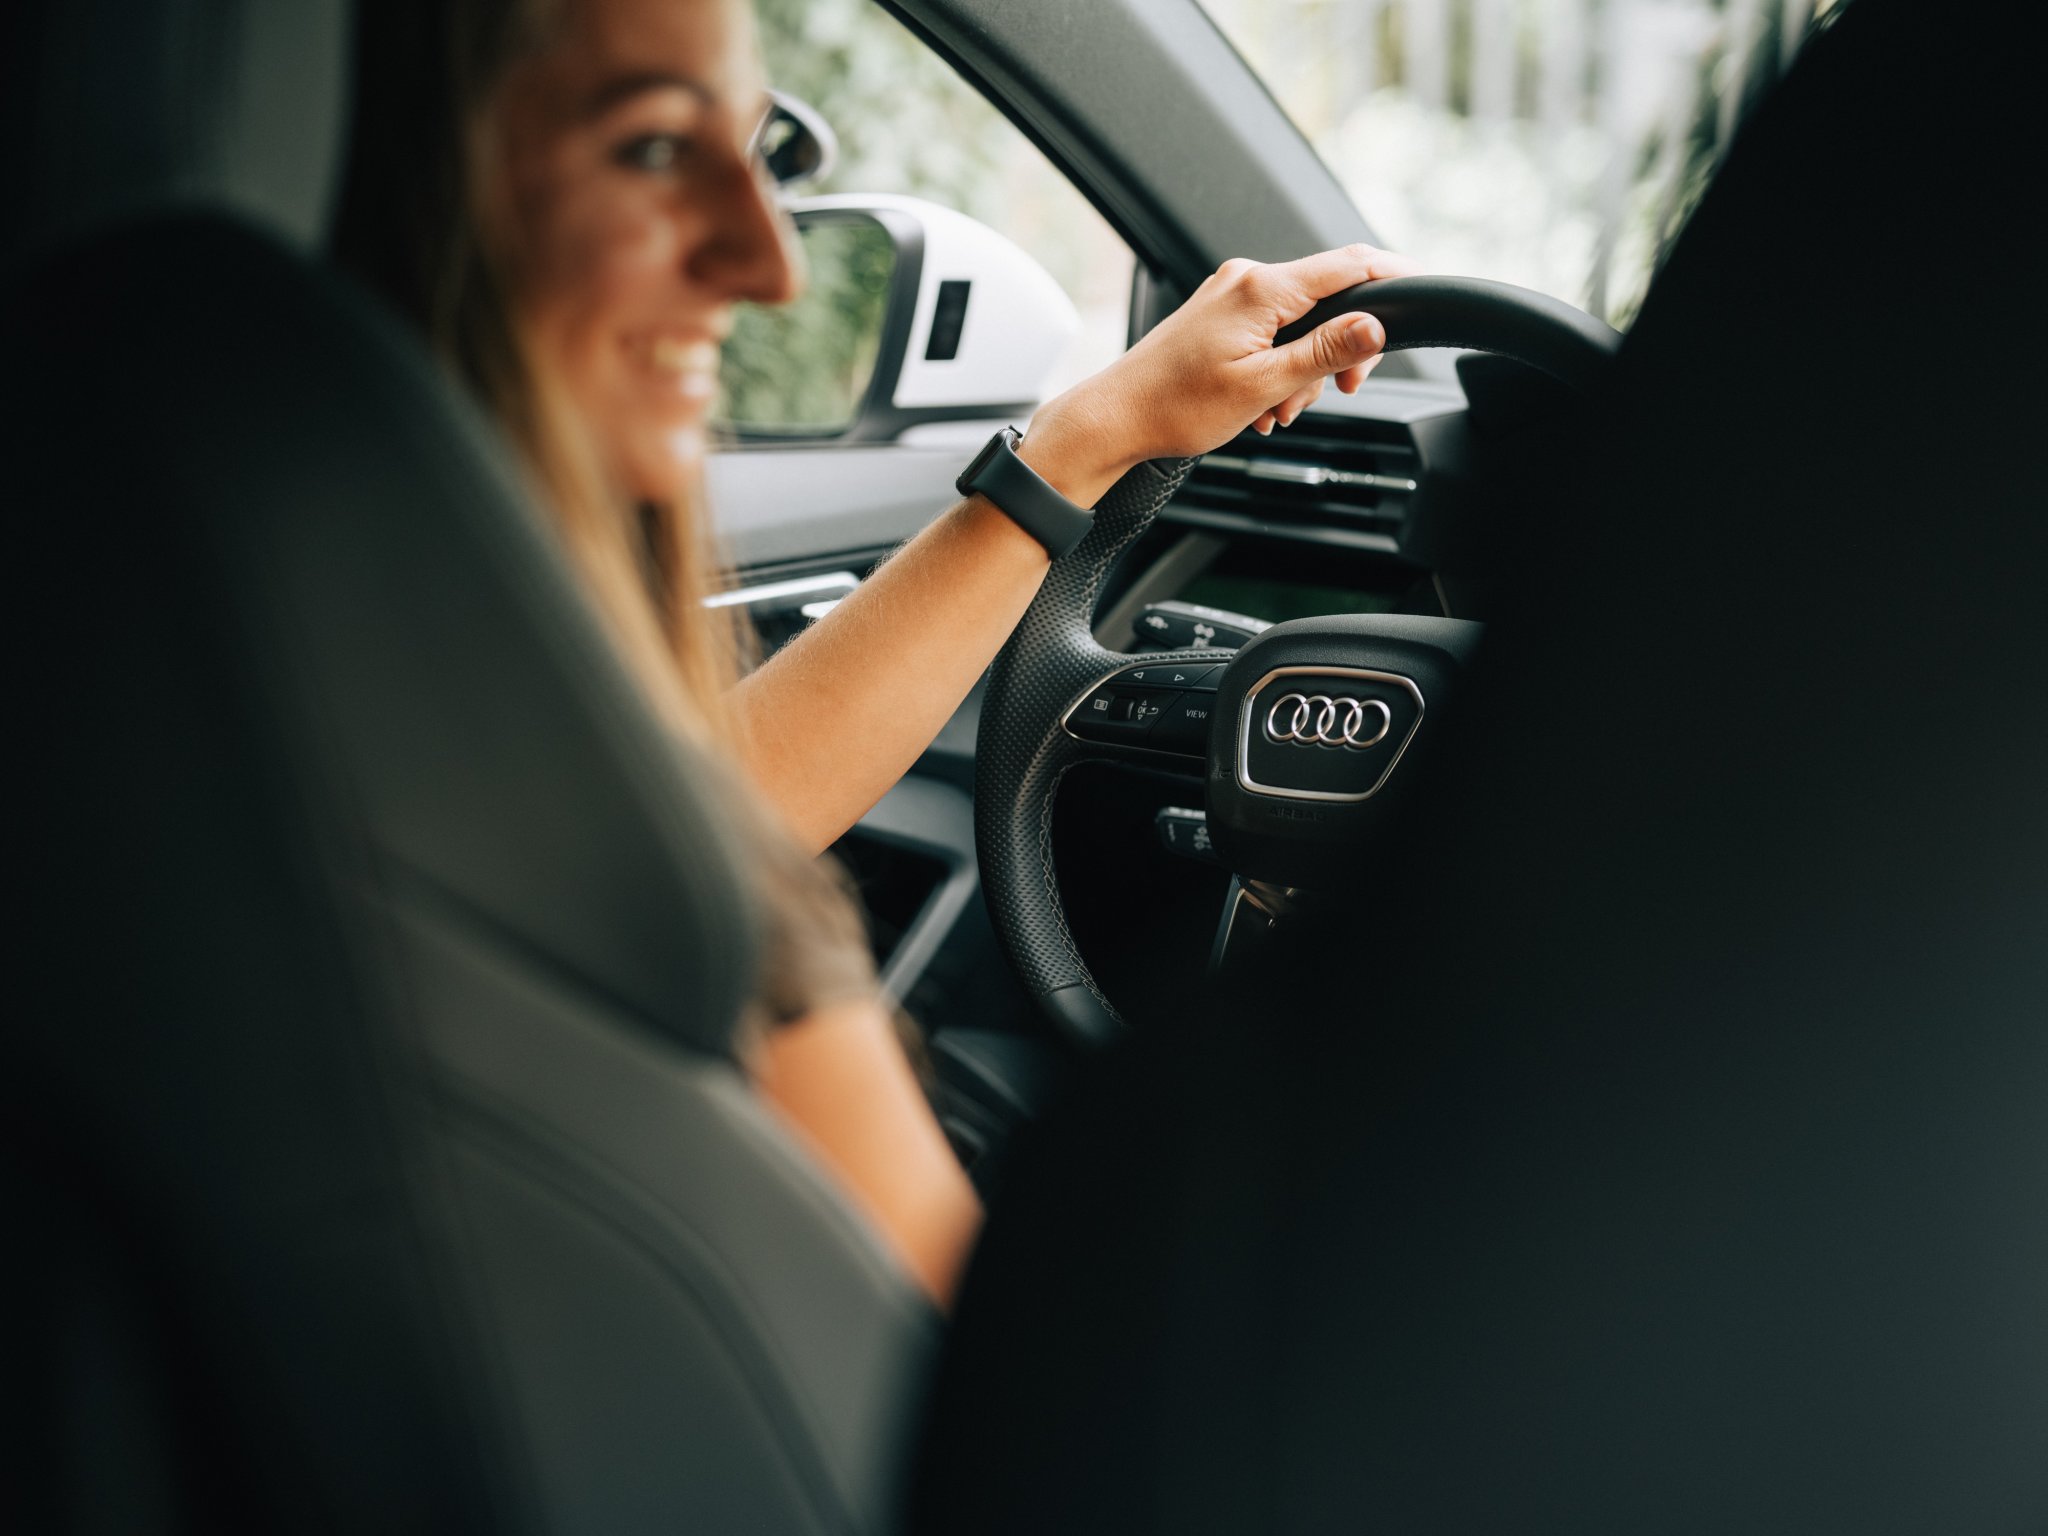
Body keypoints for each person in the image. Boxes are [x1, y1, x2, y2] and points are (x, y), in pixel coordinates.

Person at [336, 0, 1415, 1306]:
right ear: (421, 191)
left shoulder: (364, 704)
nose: (769, 263)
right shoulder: (572, 851)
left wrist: (1097, 432)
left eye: (764, 152)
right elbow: (1006, 1415)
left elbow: (719, 806)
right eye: (655, 149)